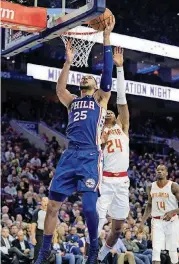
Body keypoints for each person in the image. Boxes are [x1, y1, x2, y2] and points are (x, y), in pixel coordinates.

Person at [35, 16, 115, 264]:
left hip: (90, 155)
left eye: (88, 78)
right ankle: (44, 251)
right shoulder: (72, 101)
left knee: (90, 209)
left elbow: (107, 75)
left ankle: (92, 248)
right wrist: (68, 62)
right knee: (52, 206)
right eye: (83, 79)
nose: (85, 79)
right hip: (70, 155)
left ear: (94, 84)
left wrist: (105, 38)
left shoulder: (100, 99)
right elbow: (60, 90)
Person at [96, 47, 130, 262]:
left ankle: (101, 255)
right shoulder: (99, 128)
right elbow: (104, 99)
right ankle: (89, 258)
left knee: (117, 229)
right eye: (106, 111)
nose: (109, 111)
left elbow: (121, 101)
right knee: (95, 224)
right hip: (105, 180)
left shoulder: (123, 125)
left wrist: (120, 69)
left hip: (123, 182)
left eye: (112, 111)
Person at [139, 165, 179, 264]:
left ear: (167, 173)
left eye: (162, 170)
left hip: (172, 221)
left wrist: (172, 212)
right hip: (156, 221)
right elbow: (149, 205)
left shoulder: (173, 186)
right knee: (156, 250)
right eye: (158, 170)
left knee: (173, 251)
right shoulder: (150, 187)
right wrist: (142, 222)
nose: (159, 171)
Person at [31, 197, 48, 261]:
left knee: (47, 252)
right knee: (38, 251)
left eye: (44, 201)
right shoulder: (37, 212)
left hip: (48, 234)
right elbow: (33, 225)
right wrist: (33, 237)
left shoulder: (50, 213)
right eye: (42, 201)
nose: (42, 202)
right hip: (39, 233)